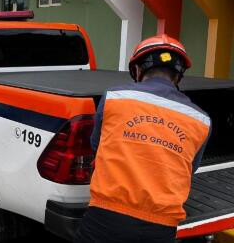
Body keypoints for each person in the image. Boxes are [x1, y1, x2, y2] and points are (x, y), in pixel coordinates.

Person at [75, 35, 211, 243]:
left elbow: (97, 145)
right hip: (159, 229)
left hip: (104, 219)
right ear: (178, 76)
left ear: (138, 70)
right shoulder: (201, 120)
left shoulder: (114, 98)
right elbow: (189, 168)